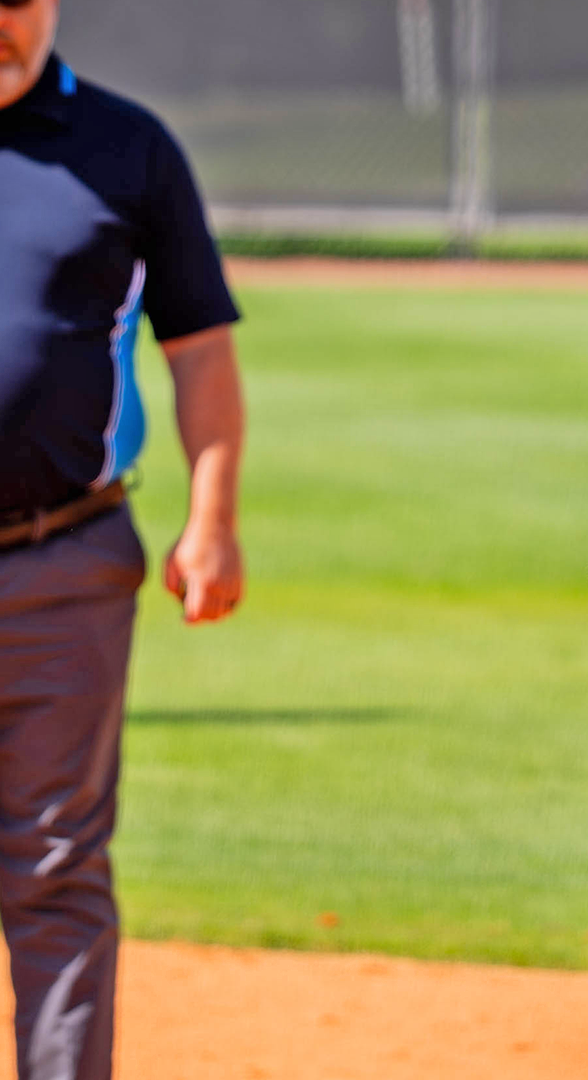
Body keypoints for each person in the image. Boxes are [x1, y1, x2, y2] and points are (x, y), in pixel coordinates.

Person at [0, 1, 246, 1076]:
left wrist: (213, 516)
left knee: (56, 867)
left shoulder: (125, 147)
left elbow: (199, 349)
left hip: (65, 560)